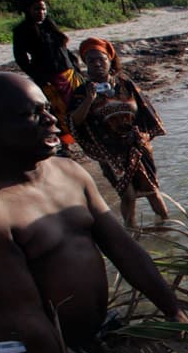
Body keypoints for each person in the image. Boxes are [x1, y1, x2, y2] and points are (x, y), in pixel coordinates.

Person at [0, 72, 188, 353]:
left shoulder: (68, 173)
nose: (51, 120)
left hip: (92, 331)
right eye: (33, 114)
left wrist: (172, 309)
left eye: (47, 109)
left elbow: (121, 247)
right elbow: (27, 318)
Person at [69, 37, 169, 227]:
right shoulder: (82, 92)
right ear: (85, 64)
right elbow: (75, 121)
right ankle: (132, 232)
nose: (98, 64)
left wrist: (143, 136)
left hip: (137, 145)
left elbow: (145, 110)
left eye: (102, 59)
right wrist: (89, 100)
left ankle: (168, 228)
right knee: (128, 195)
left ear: (110, 60)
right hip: (109, 151)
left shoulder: (125, 85)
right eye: (92, 61)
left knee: (152, 191)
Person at [12, 0, 81, 151]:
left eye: (43, 9)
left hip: (69, 74)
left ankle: (85, 138)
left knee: (79, 105)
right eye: (37, 9)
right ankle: (66, 145)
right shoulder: (22, 31)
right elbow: (21, 59)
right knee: (59, 112)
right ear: (27, 10)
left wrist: (75, 67)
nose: (41, 12)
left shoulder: (50, 25)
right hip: (49, 78)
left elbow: (63, 48)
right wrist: (38, 77)